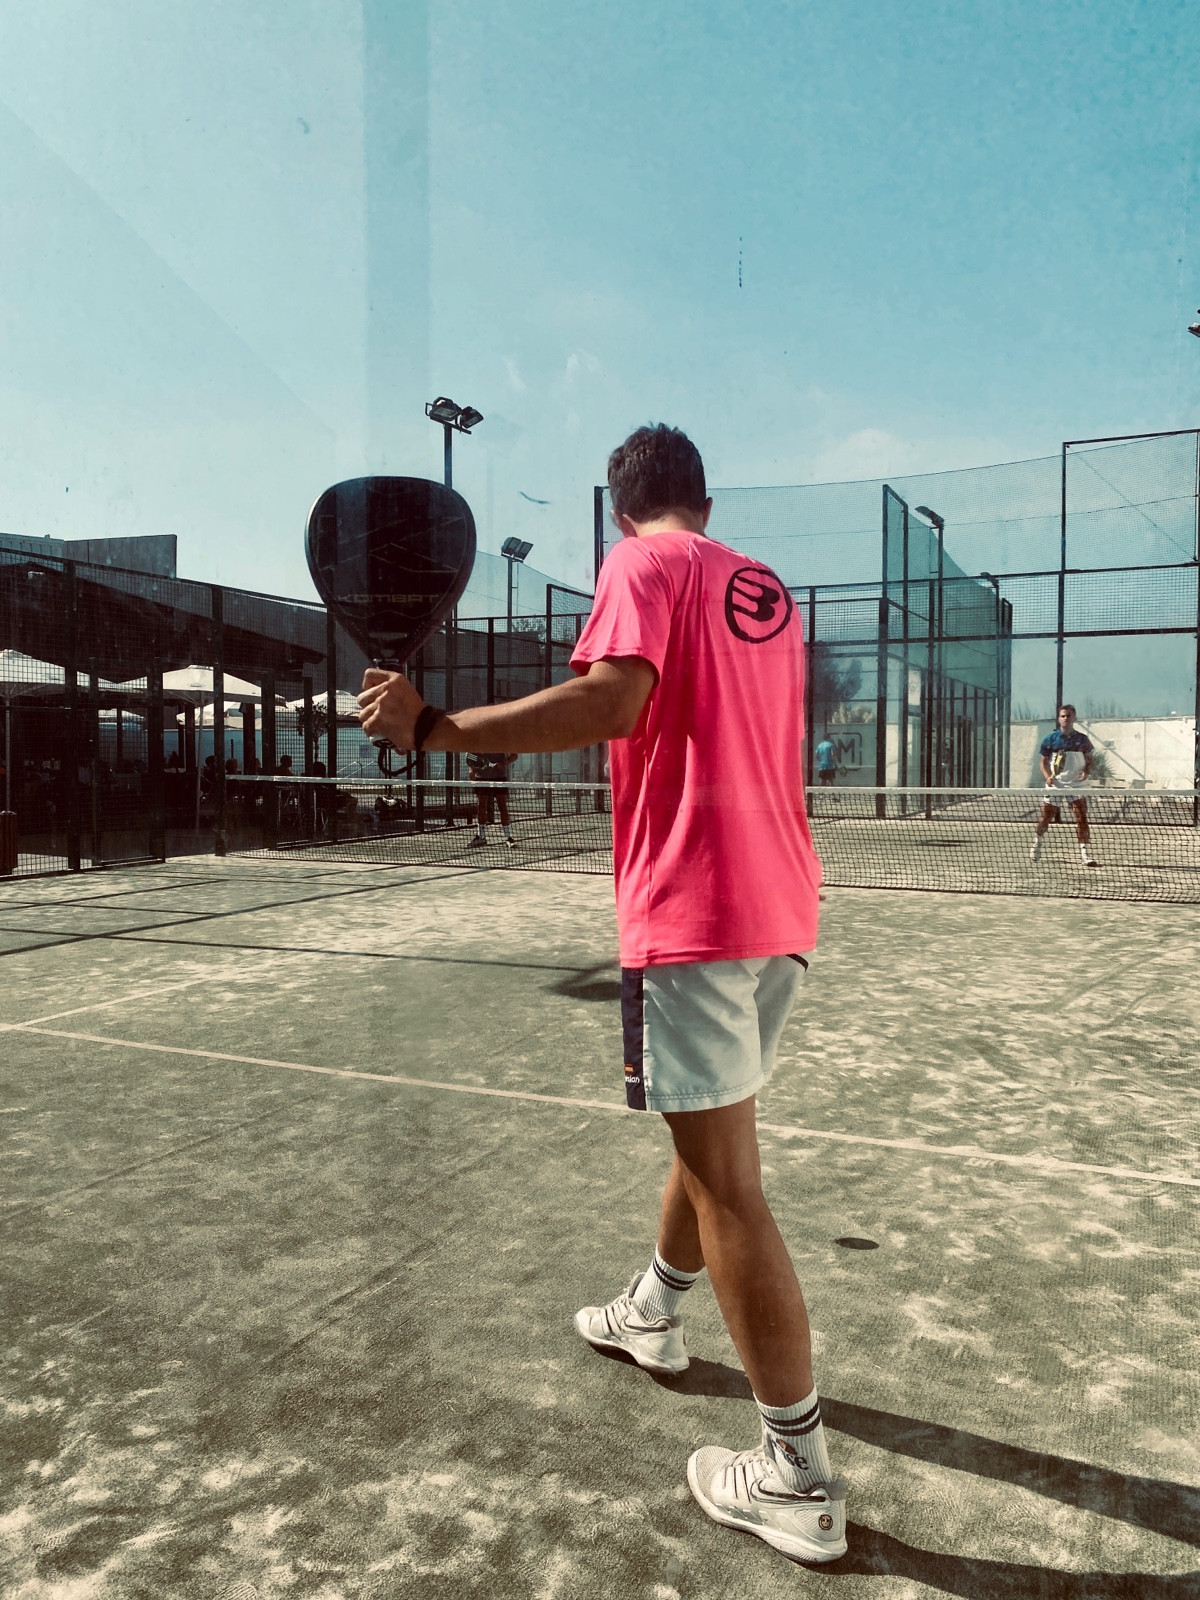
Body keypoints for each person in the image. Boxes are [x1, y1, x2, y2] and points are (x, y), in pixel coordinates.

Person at [358, 424, 844, 1566]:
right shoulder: (765, 590)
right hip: (781, 906)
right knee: (706, 1137)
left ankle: (797, 1475)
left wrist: (435, 728)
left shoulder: (640, 562)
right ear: (706, 501)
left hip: (695, 907)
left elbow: (612, 702)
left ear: (619, 510)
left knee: (729, 1185)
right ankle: (653, 1312)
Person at [1032, 704, 1095, 866]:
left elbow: (1090, 759)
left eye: (1069, 716)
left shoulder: (1083, 739)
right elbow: (1043, 762)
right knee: (1046, 817)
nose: (1066, 718)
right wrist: (1048, 777)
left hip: (1077, 785)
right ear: (1059, 719)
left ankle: (1085, 854)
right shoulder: (1050, 739)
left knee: (1081, 817)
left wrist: (1086, 771)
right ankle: (1037, 843)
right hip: (1056, 785)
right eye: (1063, 716)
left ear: (1074, 718)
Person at [466, 751, 518, 848]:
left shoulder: (501, 742)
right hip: (481, 778)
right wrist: (472, 769)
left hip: (499, 778)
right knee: (481, 808)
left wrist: (503, 763)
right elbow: (472, 757)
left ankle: (508, 837)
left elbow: (514, 755)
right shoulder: (477, 743)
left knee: (502, 807)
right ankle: (481, 837)